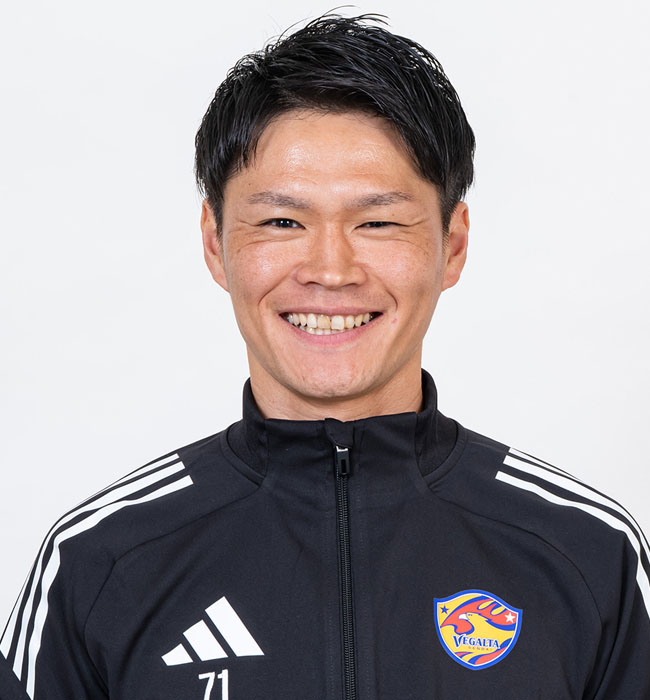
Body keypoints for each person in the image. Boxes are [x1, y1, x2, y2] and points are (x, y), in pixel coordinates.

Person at [1, 12, 648, 700]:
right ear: (216, 244)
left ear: (452, 245)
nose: (331, 270)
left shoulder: (587, 554)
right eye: (282, 221)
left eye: (378, 221)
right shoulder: (99, 564)